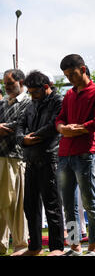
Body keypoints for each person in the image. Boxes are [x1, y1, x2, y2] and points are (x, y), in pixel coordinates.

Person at [55, 54, 95, 256]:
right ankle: (74, 246)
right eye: (66, 75)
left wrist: (76, 129)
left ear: (83, 69)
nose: (70, 79)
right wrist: (62, 128)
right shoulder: (69, 95)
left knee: (90, 202)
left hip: (85, 154)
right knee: (68, 204)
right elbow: (59, 119)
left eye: (72, 74)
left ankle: (94, 247)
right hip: (64, 154)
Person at [15, 71, 65, 256]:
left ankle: (57, 248)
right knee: (30, 205)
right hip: (30, 158)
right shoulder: (31, 103)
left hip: (50, 158)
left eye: (34, 92)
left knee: (52, 205)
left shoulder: (58, 101)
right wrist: (23, 139)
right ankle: (35, 247)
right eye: (29, 92)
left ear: (46, 87)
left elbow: (54, 125)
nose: (31, 95)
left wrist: (32, 137)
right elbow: (20, 124)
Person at [0, 69, 31, 256]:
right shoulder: (2, 102)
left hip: (15, 158)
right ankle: (1, 245)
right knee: (2, 204)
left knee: (16, 204)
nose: (8, 88)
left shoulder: (28, 102)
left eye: (11, 84)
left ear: (21, 82)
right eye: (5, 84)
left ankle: (20, 245)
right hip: (1, 157)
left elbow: (17, 126)